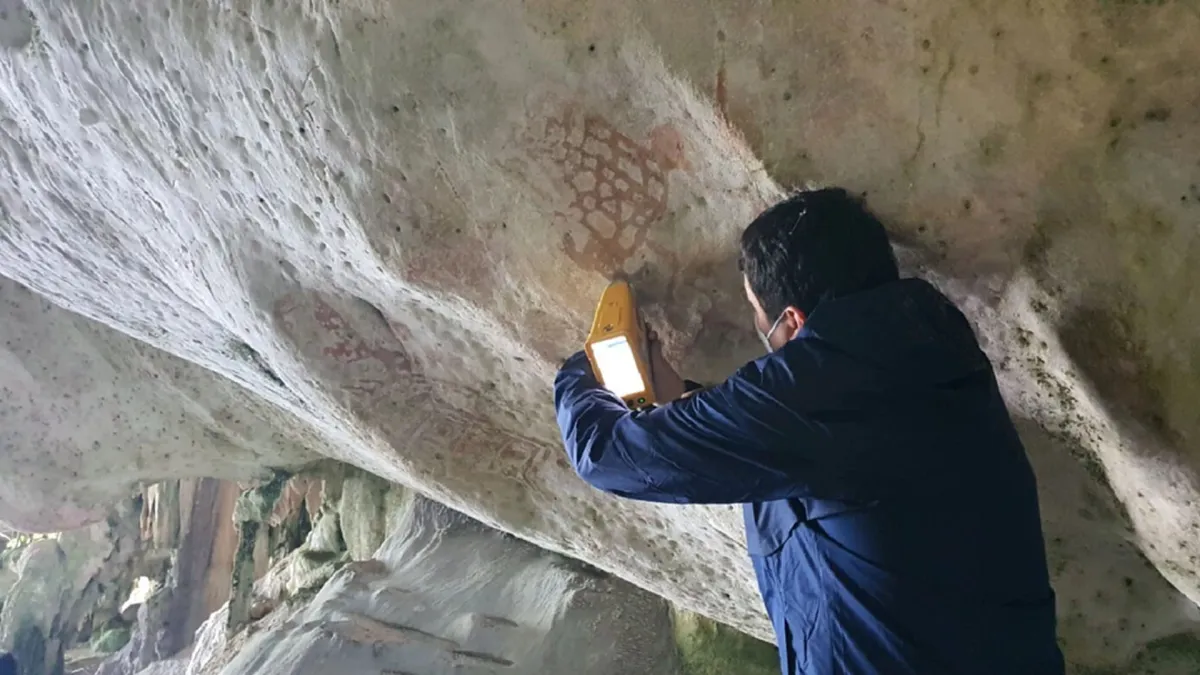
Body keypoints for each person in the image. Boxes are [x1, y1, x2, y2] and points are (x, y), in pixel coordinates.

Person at [553, 187, 1065, 675]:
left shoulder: (820, 399)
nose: (761, 331)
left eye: (759, 315)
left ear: (793, 322)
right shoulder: (925, 352)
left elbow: (608, 456)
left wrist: (583, 369)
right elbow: (810, 441)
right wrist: (688, 402)